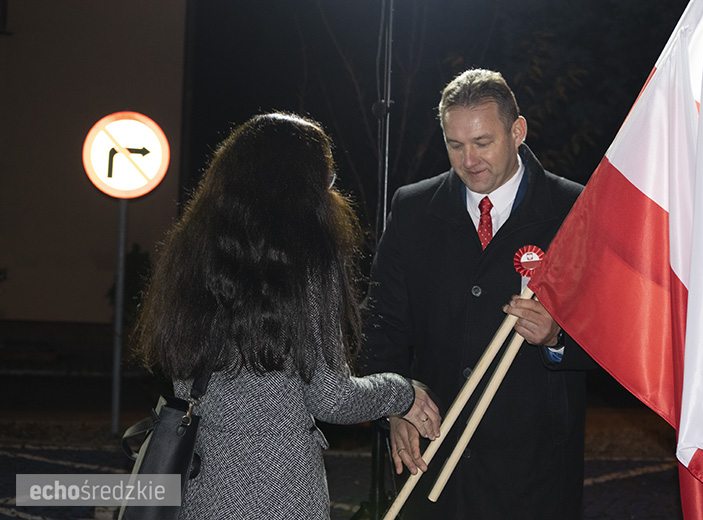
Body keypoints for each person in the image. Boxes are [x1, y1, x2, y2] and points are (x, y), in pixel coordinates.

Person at [134, 112, 441, 519]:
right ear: (305, 187)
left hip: (202, 488)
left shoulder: (193, 251)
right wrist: (402, 392)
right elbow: (333, 398)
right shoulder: (308, 261)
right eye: (327, 181)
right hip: (282, 491)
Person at [360, 69, 596, 519]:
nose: (469, 160)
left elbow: (616, 333)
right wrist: (393, 403)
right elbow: (381, 325)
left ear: (517, 131)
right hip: (430, 463)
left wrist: (558, 338)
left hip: (533, 477)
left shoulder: (572, 210)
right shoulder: (412, 208)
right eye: (455, 145)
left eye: (483, 142)